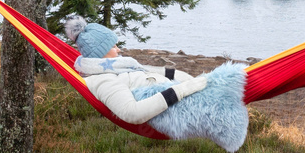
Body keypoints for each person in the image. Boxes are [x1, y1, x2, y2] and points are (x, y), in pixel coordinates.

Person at [65, 16, 208, 125]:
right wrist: (182, 90)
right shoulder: (102, 79)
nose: (119, 49)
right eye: (114, 47)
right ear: (100, 53)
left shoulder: (117, 65)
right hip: (182, 108)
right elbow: (132, 113)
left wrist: (188, 79)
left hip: (185, 94)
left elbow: (148, 71)